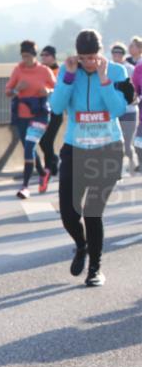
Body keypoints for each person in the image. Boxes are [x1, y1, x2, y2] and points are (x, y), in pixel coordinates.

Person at [50, 29, 131, 287]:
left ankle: (95, 268)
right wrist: (69, 78)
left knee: (93, 212)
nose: (89, 62)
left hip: (107, 149)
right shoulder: (68, 71)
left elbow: (119, 109)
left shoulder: (117, 71)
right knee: (68, 214)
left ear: (101, 52)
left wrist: (104, 79)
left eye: (93, 57)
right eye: (83, 57)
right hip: (76, 148)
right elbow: (57, 106)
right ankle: (81, 245)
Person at [3, 41, 55, 198]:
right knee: (29, 148)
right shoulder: (18, 70)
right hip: (21, 116)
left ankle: (25, 186)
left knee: (29, 147)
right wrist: (17, 89)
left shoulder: (44, 70)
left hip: (40, 115)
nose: (25, 59)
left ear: (34, 55)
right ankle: (42, 173)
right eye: (23, 56)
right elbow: (7, 92)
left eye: (28, 56)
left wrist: (47, 90)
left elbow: (57, 88)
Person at [110, 42, 138, 174]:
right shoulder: (108, 69)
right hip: (116, 111)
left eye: (119, 53)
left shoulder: (130, 68)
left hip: (130, 111)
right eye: (114, 53)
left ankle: (132, 160)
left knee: (127, 145)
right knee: (116, 143)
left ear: (123, 54)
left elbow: (136, 88)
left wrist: (135, 98)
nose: (116, 56)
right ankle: (119, 170)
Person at [37, 45, 64, 179]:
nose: (43, 58)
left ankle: (49, 168)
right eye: (42, 55)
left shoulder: (60, 71)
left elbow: (61, 88)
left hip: (56, 111)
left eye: (46, 55)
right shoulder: (40, 71)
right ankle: (53, 160)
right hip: (42, 111)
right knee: (42, 141)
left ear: (53, 57)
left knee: (47, 140)